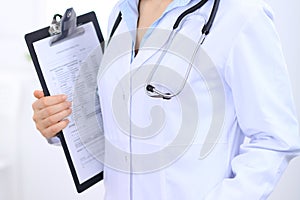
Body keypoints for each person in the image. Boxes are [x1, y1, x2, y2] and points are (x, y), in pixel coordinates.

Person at [32, 0, 300, 199]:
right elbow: (122, 119)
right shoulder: (122, 12)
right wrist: (60, 122)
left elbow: (275, 139)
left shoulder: (241, 15)